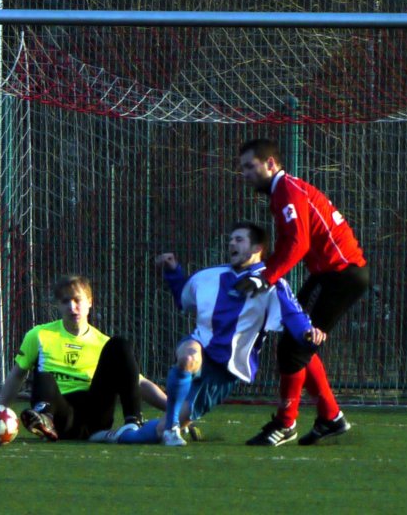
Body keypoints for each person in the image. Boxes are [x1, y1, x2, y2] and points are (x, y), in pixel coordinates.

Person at [106, 221, 325, 446]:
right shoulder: (210, 275)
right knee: (188, 358)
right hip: (200, 344)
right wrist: (173, 271)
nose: (232, 243)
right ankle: (172, 428)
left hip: (227, 371)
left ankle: (121, 433)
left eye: (239, 239)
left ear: (257, 248)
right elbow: (183, 298)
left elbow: (293, 315)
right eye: (230, 240)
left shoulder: (272, 284)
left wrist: (308, 333)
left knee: (155, 433)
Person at [237, 138, 370, 446]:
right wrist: (265, 273)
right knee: (298, 341)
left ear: (271, 164)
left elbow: (299, 244)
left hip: (342, 275)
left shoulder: (287, 190)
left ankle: (286, 423)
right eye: (242, 168)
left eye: (250, 166)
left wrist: (266, 277)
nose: (245, 174)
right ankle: (330, 417)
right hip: (331, 275)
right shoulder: (281, 192)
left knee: (294, 347)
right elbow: (289, 243)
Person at [0, 274, 164, 442]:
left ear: (90, 302)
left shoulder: (103, 343)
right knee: (44, 375)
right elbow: (17, 374)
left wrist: (174, 411)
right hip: (59, 416)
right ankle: (45, 420)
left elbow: (139, 382)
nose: (72, 307)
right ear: (58, 305)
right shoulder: (39, 335)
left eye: (77, 300)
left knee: (120, 344)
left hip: (95, 416)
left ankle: (133, 423)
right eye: (65, 301)